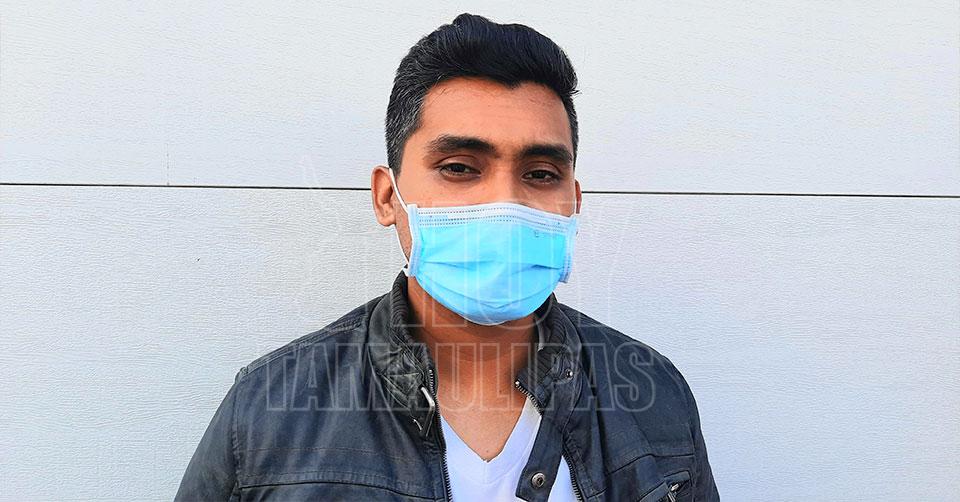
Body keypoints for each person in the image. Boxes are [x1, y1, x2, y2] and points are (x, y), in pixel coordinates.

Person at [176, 12, 719, 501]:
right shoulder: (267, 412)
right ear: (388, 197)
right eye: (459, 168)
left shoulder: (656, 396)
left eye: (540, 174)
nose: (505, 203)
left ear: (573, 202)